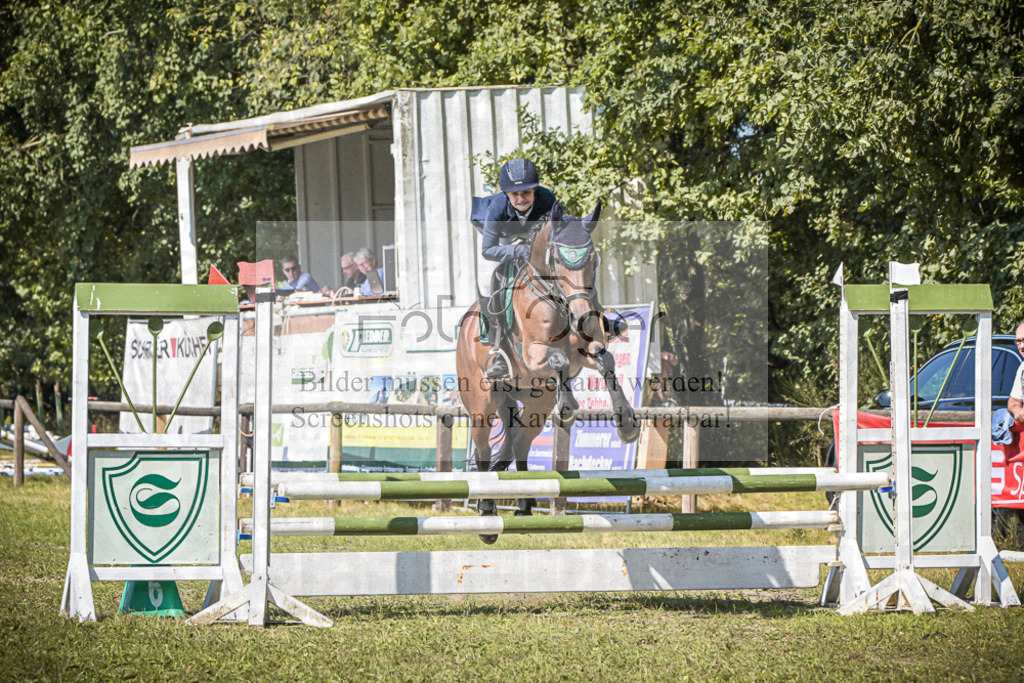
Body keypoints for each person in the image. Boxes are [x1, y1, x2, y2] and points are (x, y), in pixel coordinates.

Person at [477, 159, 558, 381]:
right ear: (506, 194)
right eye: (515, 194)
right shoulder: (496, 208)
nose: (521, 198)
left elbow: (561, 232)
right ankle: (498, 349)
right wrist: (516, 250)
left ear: (535, 190)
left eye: (526, 193)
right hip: (504, 244)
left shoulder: (547, 198)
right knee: (485, 280)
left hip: (538, 244)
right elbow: (488, 250)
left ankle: (594, 320)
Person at [1007, 320, 1024, 423]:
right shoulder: (1022, 368)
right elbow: (1014, 400)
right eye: (1018, 342)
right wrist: (1017, 410)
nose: (1021, 346)